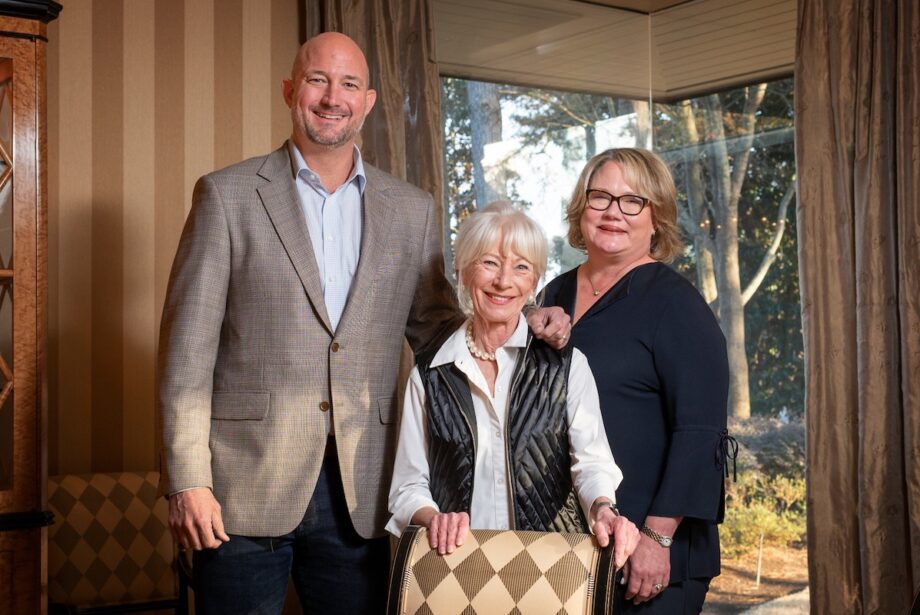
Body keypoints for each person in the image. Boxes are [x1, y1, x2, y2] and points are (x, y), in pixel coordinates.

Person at [157, 33, 571, 614]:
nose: (333, 97)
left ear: (369, 100)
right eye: (317, 80)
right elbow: (187, 351)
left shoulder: (412, 208)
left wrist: (520, 314)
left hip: (365, 490)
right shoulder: (226, 197)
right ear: (290, 91)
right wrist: (187, 481)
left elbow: (438, 327)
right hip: (241, 487)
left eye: (349, 83)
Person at [387, 201, 640, 569]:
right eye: (489, 262)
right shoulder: (428, 374)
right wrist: (432, 517)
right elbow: (407, 487)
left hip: (551, 568)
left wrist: (604, 509)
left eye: (521, 267)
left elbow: (592, 464)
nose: (504, 281)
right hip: (458, 567)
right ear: (462, 271)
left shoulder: (567, 365)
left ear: (534, 281)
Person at [541, 148, 732, 613]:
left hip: (652, 555)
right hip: (568, 545)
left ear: (657, 217)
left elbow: (700, 435)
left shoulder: (678, 306)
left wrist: (657, 539)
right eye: (600, 197)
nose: (613, 213)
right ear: (580, 208)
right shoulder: (553, 293)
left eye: (633, 201)